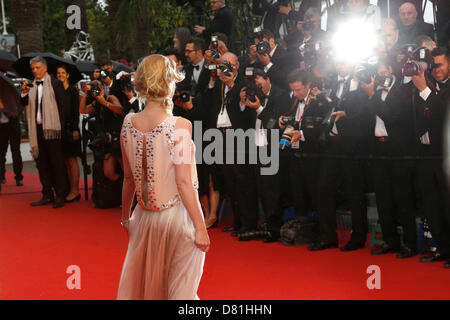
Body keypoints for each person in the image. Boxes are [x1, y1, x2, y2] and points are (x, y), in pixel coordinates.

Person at [117, 54, 209, 299]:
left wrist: (126, 218)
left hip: (144, 218)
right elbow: (183, 182)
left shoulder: (128, 122)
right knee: (180, 292)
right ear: (170, 82)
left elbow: (128, 179)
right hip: (176, 219)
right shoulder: (180, 125)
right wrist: (201, 227)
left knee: (148, 290)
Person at [412, 47, 450, 269]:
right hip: (426, 154)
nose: (435, 69)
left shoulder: (431, 89)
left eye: (440, 65)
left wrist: (425, 90)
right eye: (432, 65)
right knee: (432, 204)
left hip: (445, 155)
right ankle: (442, 248)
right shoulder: (427, 86)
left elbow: (443, 113)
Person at [20, 56, 69, 208]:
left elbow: (64, 107)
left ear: (45, 68)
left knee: (56, 163)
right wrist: (24, 93)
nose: (35, 71)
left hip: (53, 130)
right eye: (33, 68)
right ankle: (47, 194)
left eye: (37, 68)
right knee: (42, 164)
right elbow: (23, 104)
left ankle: (60, 195)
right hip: (37, 130)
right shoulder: (30, 85)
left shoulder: (55, 83)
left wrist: (60, 126)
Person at [56, 65, 81, 203]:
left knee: (72, 160)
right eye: (58, 73)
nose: (60, 75)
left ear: (67, 75)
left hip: (72, 130)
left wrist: (75, 129)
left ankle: (75, 190)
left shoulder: (72, 91)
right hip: (60, 131)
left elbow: (75, 112)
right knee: (65, 161)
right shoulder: (56, 90)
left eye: (63, 73)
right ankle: (70, 189)